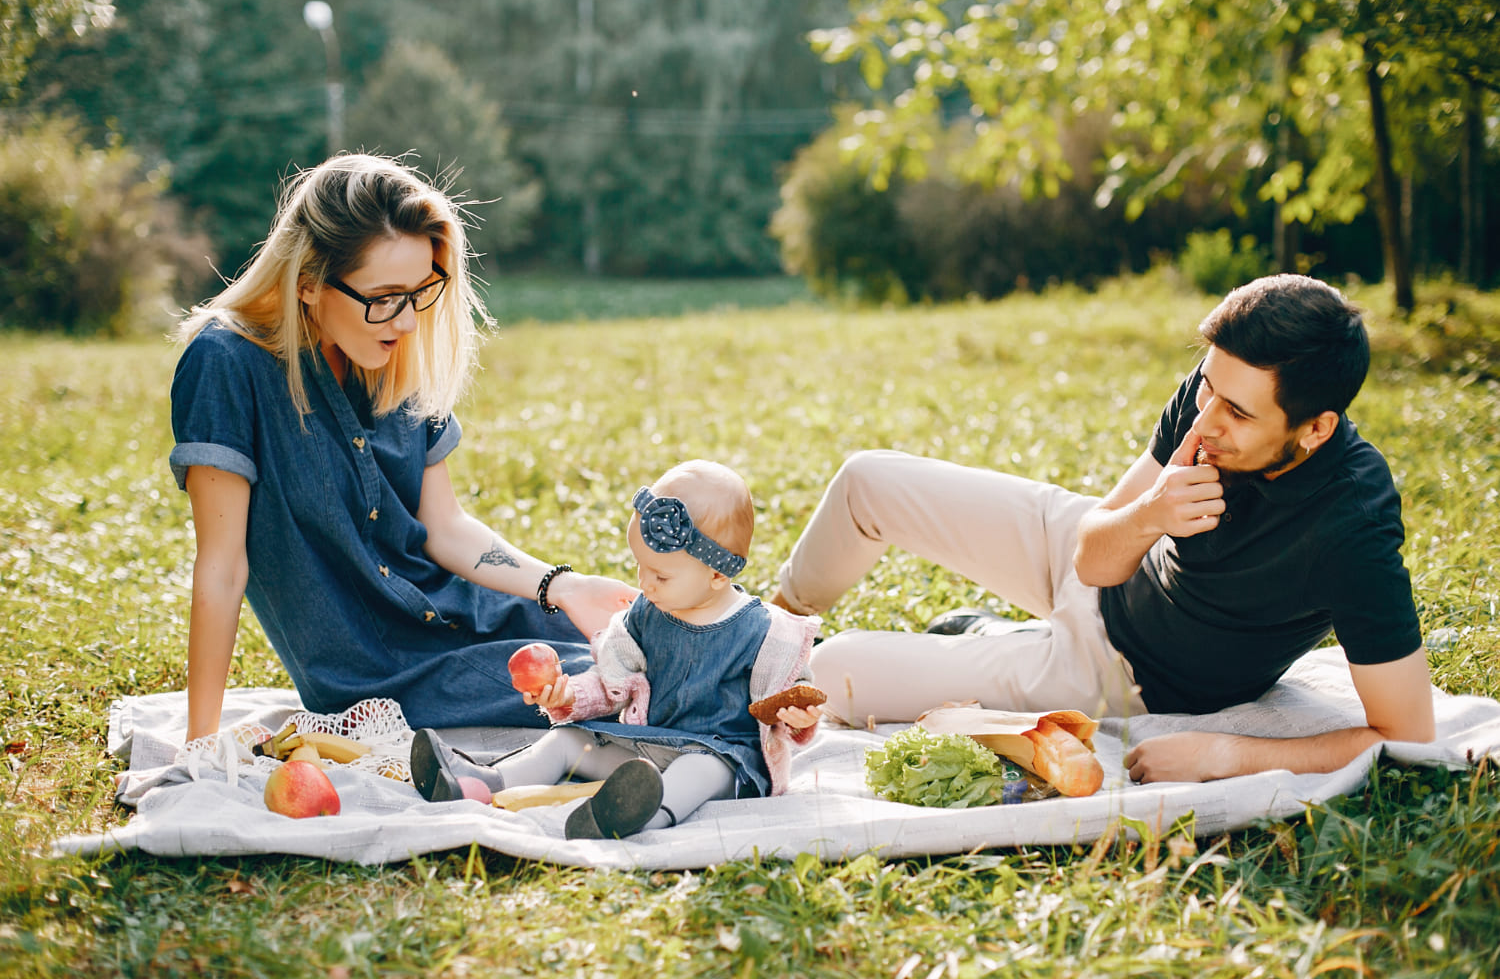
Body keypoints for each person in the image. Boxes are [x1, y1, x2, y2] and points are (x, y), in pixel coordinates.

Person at [768, 274, 1436, 784]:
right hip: (1102, 551)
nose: (1206, 423)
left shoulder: (1352, 527)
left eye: (1237, 412)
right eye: (1208, 390)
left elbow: (1406, 731)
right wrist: (1152, 516)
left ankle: (997, 641)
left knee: (836, 667)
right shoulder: (1211, 396)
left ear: (1316, 428)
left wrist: (1221, 753)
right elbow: (1092, 553)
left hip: (1120, 670)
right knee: (867, 481)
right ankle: (761, 638)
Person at [169, 153, 637, 742]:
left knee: (677, 632)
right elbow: (221, 568)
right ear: (308, 283)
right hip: (390, 671)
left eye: (420, 293)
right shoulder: (225, 365)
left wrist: (562, 587)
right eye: (386, 296)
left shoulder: (387, 354)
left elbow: (445, 528)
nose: (409, 321)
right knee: (630, 686)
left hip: (476, 612)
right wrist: (201, 744)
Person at [410, 460, 824, 840]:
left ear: (717, 574)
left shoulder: (766, 632)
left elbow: (791, 698)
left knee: (697, 768)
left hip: (722, 761)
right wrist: (570, 695)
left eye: (660, 575)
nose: (644, 583)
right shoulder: (646, 613)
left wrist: (798, 717)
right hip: (647, 747)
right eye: (639, 566)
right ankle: (480, 783)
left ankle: (638, 814)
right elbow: (614, 681)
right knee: (567, 740)